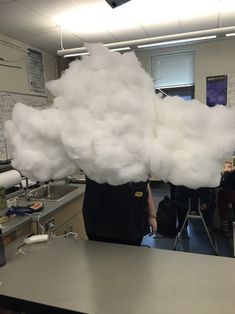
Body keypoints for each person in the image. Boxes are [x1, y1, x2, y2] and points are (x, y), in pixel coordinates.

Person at [82, 176, 157, 246]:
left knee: (130, 256)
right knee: (99, 256)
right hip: (99, 220)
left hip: (133, 219)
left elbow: (145, 183)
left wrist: (151, 214)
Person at [218, 161, 235, 236]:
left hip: (229, 193)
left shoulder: (230, 175)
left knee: (222, 195)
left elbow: (223, 185)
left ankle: (225, 225)